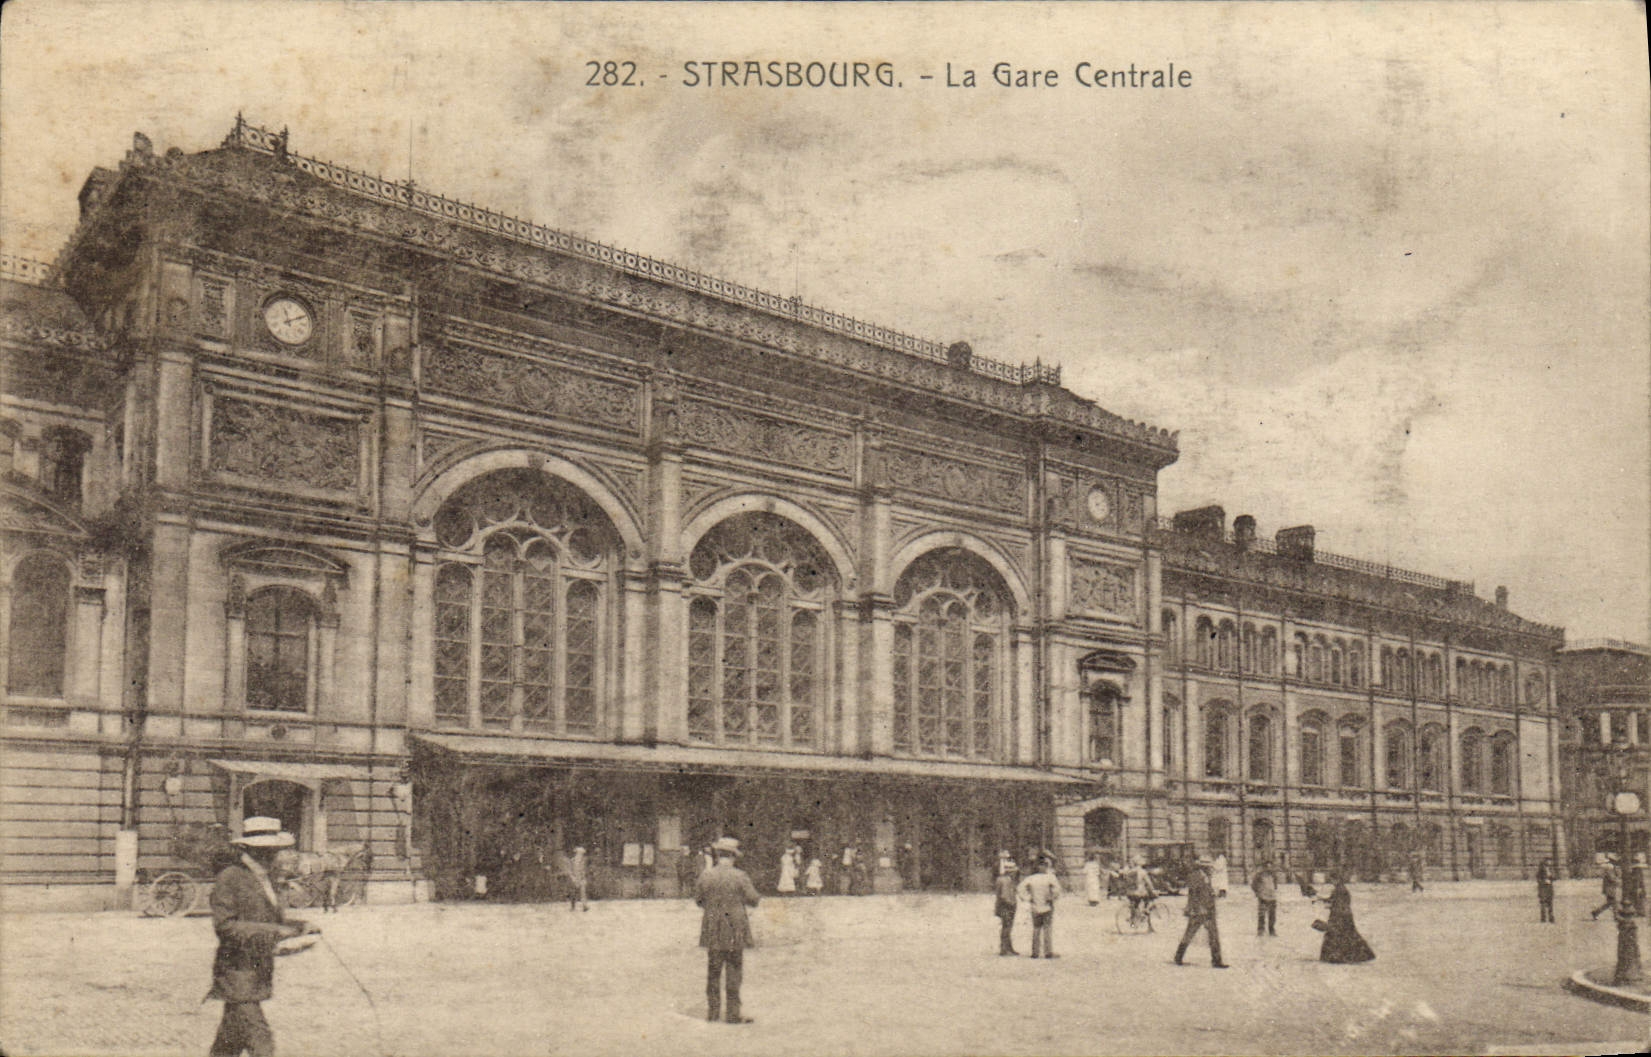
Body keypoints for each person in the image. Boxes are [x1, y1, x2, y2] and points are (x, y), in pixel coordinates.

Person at [207, 817, 317, 1057]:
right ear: (247, 849)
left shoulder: (267, 879)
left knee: (228, 1044)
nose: (272, 854)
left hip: (257, 973)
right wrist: (277, 932)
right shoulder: (231, 877)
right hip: (236, 974)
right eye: (265, 849)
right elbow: (225, 927)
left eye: (274, 849)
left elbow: (270, 921)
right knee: (261, 1042)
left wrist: (300, 927)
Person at [695, 837, 760, 1024]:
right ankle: (732, 1014)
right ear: (733, 857)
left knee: (713, 970)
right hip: (735, 928)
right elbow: (753, 899)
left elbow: (698, 900)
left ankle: (713, 1013)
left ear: (718, 855)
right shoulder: (740, 876)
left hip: (713, 927)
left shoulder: (707, 875)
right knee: (734, 970)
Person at [1173, 856, 1227, 968]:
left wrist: (1213, 894)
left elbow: (1205, 892)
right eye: (1208, 867)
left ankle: (1216, 960)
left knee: (1213, 935)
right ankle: (1178, 956)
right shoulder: (1196, 876)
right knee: (1190, 933)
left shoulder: (1205, 876)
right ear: (1203, 867)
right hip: (1199, 911)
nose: (1211, 869)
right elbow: (1194, 894)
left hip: (1208, 909)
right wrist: (1196, 908)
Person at [1318, 873, 1375, 963]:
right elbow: (1335, 901)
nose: (1331, 882)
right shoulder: (1340, 889)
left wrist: (1329, 904)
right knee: (1347, 935)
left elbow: (1339, 903)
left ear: (1337, 880)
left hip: (1340, 916)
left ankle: (1335, 957)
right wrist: (1321, 899)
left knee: (1336, 935)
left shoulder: (1340, 890)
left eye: (1332, 879)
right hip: (1344, 915)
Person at [1018, 854, 1062, 959]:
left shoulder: (1031, 878)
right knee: (1047, 929)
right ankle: (1048, 952)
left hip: (1035, 906)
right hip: (1047, 906)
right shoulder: (1050, 878)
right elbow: (1057, 890)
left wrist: (1028, 898)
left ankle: (1035, 952)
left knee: (1036, 929)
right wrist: (1052, 897)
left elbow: (1020, 889)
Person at [993, 857, 1020, 956]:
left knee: (1005, 926)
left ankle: (1007, 947)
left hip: (1001, 906)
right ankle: (1004, 948)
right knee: (1007, 927)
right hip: (1007, 906)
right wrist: (1012, 903)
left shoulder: (1000, 879)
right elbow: (1004, 895)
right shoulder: (1007, 880)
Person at [1250, 860, 1279, 937]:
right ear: (1264, 868)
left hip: (1272, 897)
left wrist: (1273, 890)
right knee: (1262, 915)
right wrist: (1258, 893)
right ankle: (1261, 930)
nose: (1269, 868)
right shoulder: (1259, 875)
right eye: (1267, 867)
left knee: (1272, 915)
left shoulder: (1273, 875)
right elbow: (1253, 885)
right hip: (1263, 897)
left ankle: (1271, 930)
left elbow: (1275, 885)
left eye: (1271, 867)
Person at [1590, 854, 1621, 920]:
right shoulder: (1610, 867)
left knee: (1610, 903)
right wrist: (1618, 882)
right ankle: (1616, 916)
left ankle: (1596, 912)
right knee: (1613, 902)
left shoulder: (1610, 867)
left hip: (1609, 887)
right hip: (1610, 888)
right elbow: (1611, 878)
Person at [566, 846, 589, 911]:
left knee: (583, 892)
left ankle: (584, 906)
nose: (581, 855)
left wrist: (584, 878)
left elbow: (584, 870)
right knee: (573, 893)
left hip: (581, 878)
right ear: (576, 853)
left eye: (582, 853)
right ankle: (573, 907)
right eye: (579, 853)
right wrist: (573, 878)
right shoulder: (572, 861)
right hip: (574, 878)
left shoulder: (583, 861)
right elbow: (569, 870)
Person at [1536, 857, 1557, 923]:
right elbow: (1538, 878)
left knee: (1550, 903)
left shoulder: (1551, 869)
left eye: (1550, 862)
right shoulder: (1541, 869)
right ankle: (1543, 918)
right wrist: (1543, 881)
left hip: (1549, 888)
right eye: (1548, 861)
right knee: (1543, 903)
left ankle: (1551, 918)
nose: (1549, 863)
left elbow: (1555, 877)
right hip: (1543, 888)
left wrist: (1552, 876)